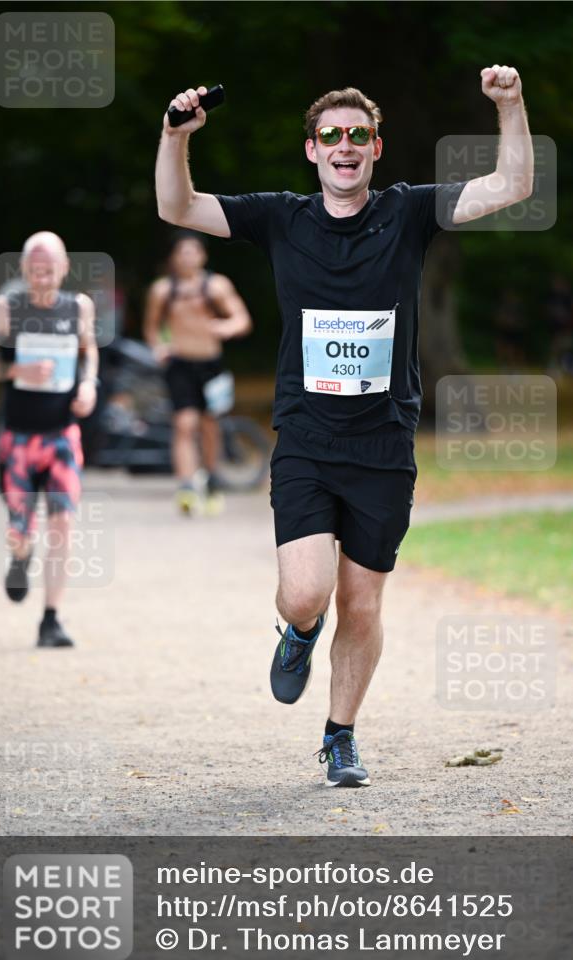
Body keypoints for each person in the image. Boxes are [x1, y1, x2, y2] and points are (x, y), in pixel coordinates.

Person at [155, 66, 533, 786]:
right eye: (331, 135)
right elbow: (178, 206)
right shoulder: (280, 217)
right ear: (312, 150)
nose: (344, 145)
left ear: (376, 148)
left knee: (361, 601)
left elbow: (510, 186)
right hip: (305, 436)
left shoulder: (409, 211)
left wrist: (509, 106)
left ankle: (339, 735)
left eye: (358, 135)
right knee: (307, 594)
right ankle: (298, 633)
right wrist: (175, 135)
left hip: (383, 441)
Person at [0, 231, 98, 647]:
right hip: (18, 440)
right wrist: (15, 373)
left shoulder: (78, 307)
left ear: (64, 269)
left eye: (50, 270)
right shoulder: (5, 309)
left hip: (62, 436)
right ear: (23, 269)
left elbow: (88, 351)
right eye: (35, 270)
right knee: (22, 530)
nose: (42, 278)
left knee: (63, 525)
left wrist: (88, 386)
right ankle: (20, 555)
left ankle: (51, 619)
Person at [143, 233, 252, 513]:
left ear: (203, 256)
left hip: (211, 364)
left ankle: (212, 477)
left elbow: (241, 318)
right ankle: (187, 486)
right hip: (180, 364)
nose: (187, 258)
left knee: (210, 425)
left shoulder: (216, 286)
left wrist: (227, 327)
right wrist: (158, 346)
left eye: (193, 252)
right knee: (184, 423)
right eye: (182, 253)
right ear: (173, 257)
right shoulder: (162, 291)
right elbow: (152, 327)